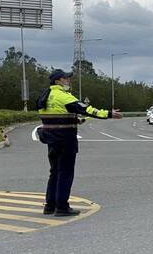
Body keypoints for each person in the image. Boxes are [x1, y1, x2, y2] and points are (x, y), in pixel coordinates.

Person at [37, 69, 122, 216]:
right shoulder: (63, 97)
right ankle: (62, 207)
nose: (68, 80)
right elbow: (86, 109)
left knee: (54, 172)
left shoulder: (46, 96)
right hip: (65, 140)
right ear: (58, 81)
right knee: (65, 173)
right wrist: (108, 114)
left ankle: (50, 206)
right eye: (66, 78)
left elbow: (57, 116)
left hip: (51, 140)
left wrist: (76, 120)